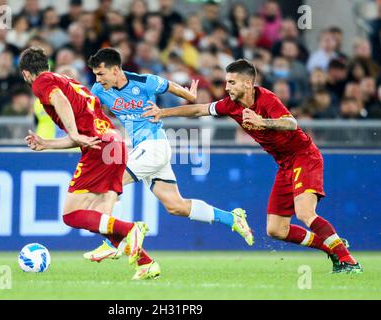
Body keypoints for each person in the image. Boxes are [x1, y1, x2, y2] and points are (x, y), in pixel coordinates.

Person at [143, 59, 363, 274]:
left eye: (232, 82)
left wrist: (262, 122)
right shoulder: (230, 105)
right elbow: (199, 109)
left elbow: (291, 123)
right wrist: (163, 113)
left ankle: (348, 261)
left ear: (248, 83)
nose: (226, 87)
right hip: (284, 165)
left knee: (305, 213)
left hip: (304, 157)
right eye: (226, 82)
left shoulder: (266, 98)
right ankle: (331, 246)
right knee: (276, 230)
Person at [81, 48, 253, 263]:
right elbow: (84, 108)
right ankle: (231, 218)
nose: (97, 79)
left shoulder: (145, 82)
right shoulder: (99, 89)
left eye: (101, 73)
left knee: (109, 183)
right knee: (176, 206)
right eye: (96, 74)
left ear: (115, 70)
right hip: (143, 150)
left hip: (155, 146)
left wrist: (189, 95)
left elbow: (175, 89)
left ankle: (112, 243)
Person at [19, 47, 159, 280]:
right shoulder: (67, 80)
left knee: (71, 215)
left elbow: (61, 103)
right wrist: (48, 143)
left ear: (25, 74)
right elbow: (87, 131)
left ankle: (131, 229)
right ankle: (145, 263)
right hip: (113, 142)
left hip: (100, 148)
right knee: (101, 220)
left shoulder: (41, 83)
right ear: (48, 65)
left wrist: (73, 134)